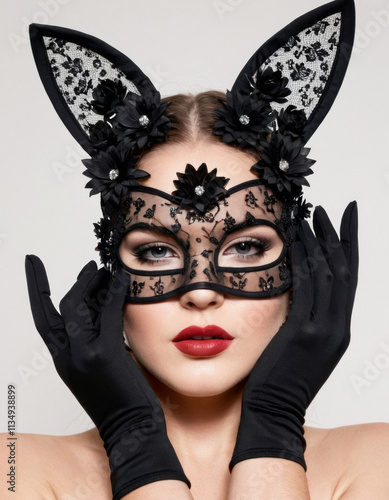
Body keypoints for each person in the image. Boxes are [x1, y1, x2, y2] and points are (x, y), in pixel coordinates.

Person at [2, 1, 389, 498]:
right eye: (157, 252)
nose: (200, 294)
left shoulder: (378, 462)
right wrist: (133, 443)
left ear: (303, 266)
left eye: (247, 246)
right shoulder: (14, 468)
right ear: (107, 274)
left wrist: (276, 420)